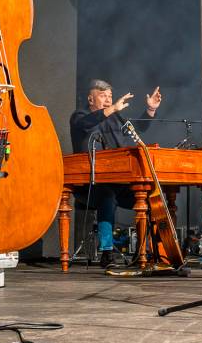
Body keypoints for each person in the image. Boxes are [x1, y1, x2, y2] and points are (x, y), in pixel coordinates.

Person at [68, 80, 161, 266]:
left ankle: (147, 252)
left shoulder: (114, 118)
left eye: (110, 96)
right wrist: (113, 109)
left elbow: (137, 129)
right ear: (90, 98)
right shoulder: (79, 115)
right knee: (107, 197)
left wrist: (150, 110)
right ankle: (106, 252)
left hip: (118, 181)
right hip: (89, 185)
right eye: (103, 96)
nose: (108, 100)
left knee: (151, 199)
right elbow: (87, 123)